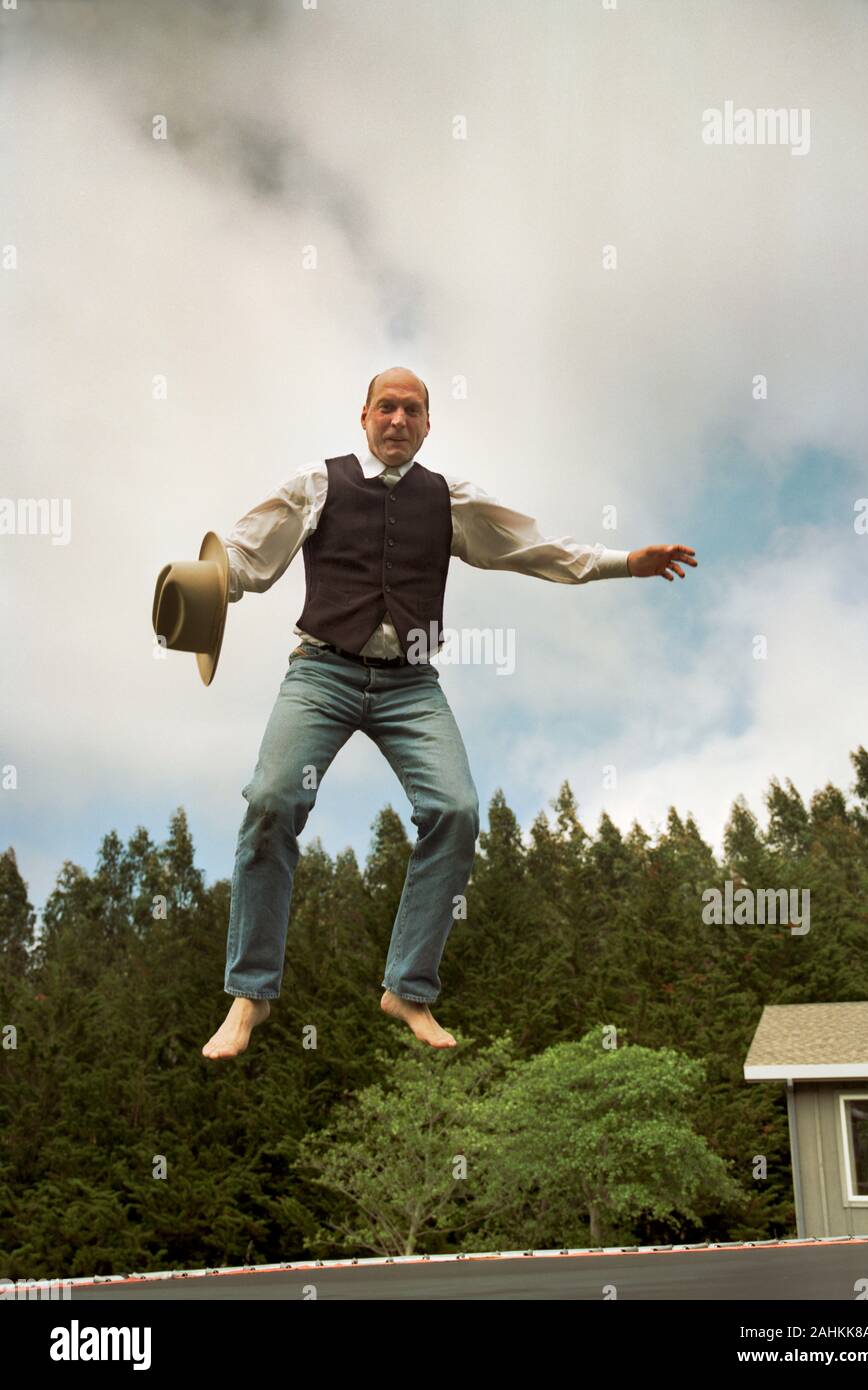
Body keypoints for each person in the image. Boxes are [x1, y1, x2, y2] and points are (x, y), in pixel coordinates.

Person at [202, 367, 696, 1059]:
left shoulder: (450, 500)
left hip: (410, 685)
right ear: (364, 416)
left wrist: (624, 562)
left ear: (428, 424)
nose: (398, 419)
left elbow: (535, 548)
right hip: (322, 670)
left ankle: (408, 987)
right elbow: (247, 559)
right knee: (272, 800)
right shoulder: (316, 483)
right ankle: (250, 993)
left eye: (412, 409)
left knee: (457, 811)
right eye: (386, 407)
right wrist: (202, 587)